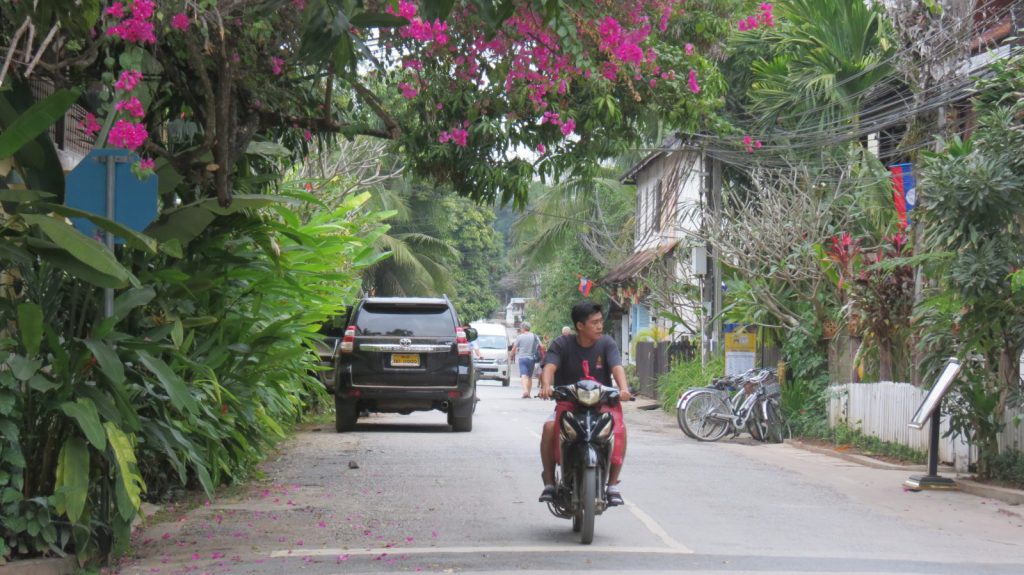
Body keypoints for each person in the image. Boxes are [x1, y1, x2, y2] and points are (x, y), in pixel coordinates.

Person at [538, 301, 632, 506]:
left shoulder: (607, 343)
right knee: (549, 427)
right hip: (569, 405)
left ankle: (613, 484)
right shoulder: (561, 344)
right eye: (594, 322)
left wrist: (623, 388)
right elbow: (550, 367)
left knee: (620, 430)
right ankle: (550, 483)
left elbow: (617, 367)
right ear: (580, 326)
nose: (600, 326)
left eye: (601, 322)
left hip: (602, 405)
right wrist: (546, 385)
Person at [510, 322, 542, 398]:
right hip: (532, 359)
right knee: (529, 377)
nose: (520, 329)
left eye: (521, 328)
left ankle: (525, 391)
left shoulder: (520, 337)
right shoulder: (535, 336)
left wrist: (511, 355)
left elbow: (514, 348)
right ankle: (528, 394)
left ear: (523, 328)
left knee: (524, 375)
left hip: (522, 359)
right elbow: (542, 346)